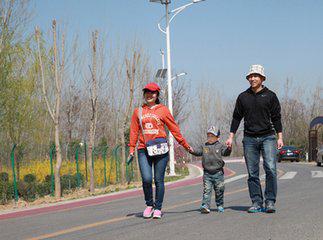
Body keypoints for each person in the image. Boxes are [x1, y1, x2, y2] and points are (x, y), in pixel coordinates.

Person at [129, 82, 193, 219]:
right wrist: (131, 149)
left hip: (160, 150)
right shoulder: (138, 111)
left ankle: (158, 208)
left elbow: (174, 129)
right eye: (147, 92)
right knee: (146, 179)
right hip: (143, 149)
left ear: (157, 94)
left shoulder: (163, 110)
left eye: (152, 92)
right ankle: (149, 205)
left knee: (159, 180)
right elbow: (134, 131)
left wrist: (185, 145)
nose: (149, 95)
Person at [226, 64, 284, 213]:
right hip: (249, 139)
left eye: (256, 76)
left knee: (270, 169)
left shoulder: (270, 96)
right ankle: (257, 202)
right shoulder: (243, 97)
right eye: (250, 76)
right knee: (252, 172)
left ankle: (270, 201)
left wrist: (280, 137)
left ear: (262, 78)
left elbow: (277, 117)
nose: (252, 78)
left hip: (268, 137)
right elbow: (236, 118)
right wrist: (230, 137)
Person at [192, 126, 231, 213]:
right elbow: (197, 152)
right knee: (207, 190)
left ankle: (220, 204)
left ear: (218, 137)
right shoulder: (204, 146)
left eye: (212, 136)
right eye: (208, 136)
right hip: (207, 173)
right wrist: (191, 150)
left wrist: (229, 148)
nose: (210, 138)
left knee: (219, 190)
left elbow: (226, 153)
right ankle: (205, 205)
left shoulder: (220, 146)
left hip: (218, 173)